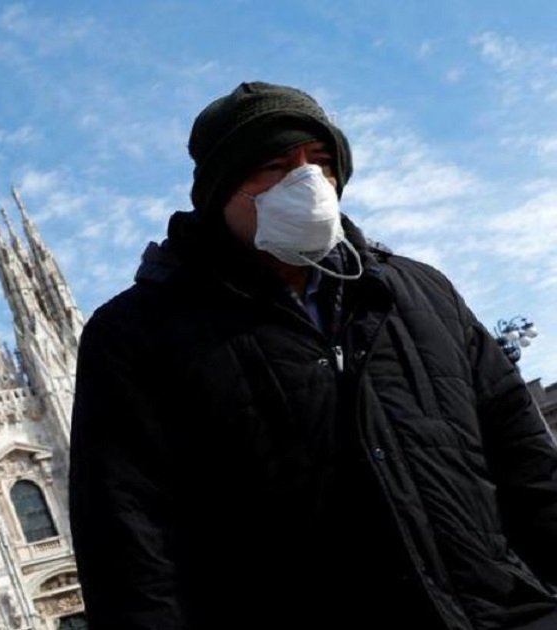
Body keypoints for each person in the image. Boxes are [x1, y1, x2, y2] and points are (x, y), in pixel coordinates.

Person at [68, 81, 557, 630]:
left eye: (321, 162)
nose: (309, 182)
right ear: (221, 191)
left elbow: (530, 469)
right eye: (275, 165)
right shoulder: (136, 335)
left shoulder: (420, 292)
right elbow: (130, 552)